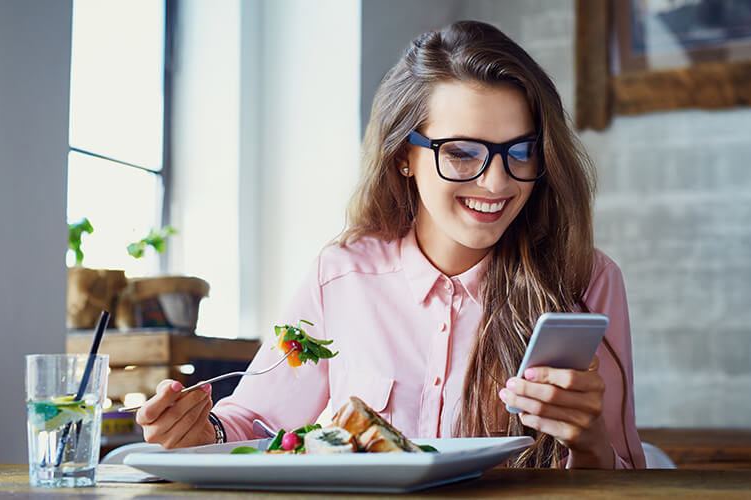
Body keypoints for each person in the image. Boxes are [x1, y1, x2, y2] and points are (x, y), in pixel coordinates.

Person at [136, 20, 646, 469]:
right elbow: (261, 425)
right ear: (405, 155)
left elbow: (624, 472)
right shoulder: (338, 277)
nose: (496, 183)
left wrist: (591, 441)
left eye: (521, 151)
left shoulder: (588, 279)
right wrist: (203, 434)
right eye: (462, 153)